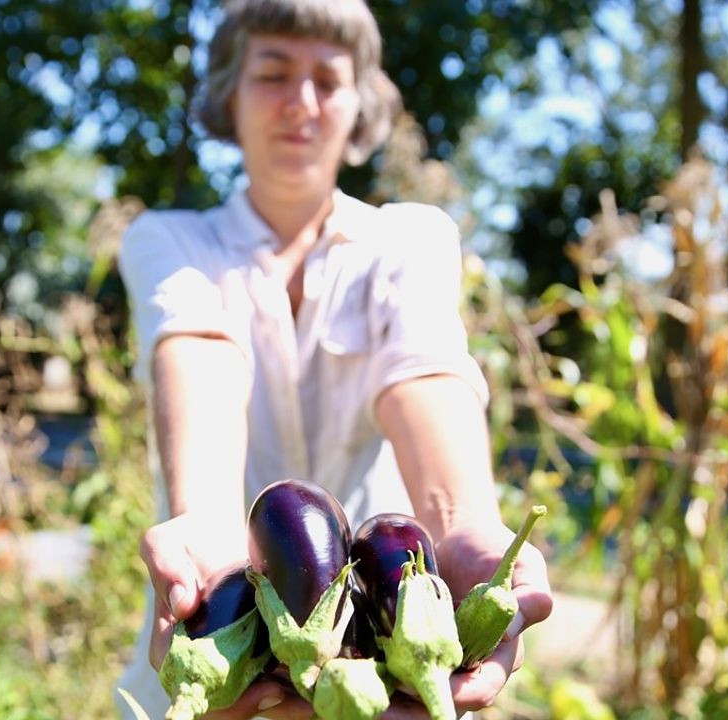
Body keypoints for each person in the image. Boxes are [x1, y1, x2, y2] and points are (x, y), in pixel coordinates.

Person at [116, 1, 552, 717]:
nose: (302, 102)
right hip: (222, 631)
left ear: (361, 105)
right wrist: (207, 522)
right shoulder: (169, 241)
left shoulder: (411, 240)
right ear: (229, 92)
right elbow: (199, 354)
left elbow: (424, 373)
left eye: (329, 79)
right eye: (273, 73)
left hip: (373, 657)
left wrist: (465, 522)